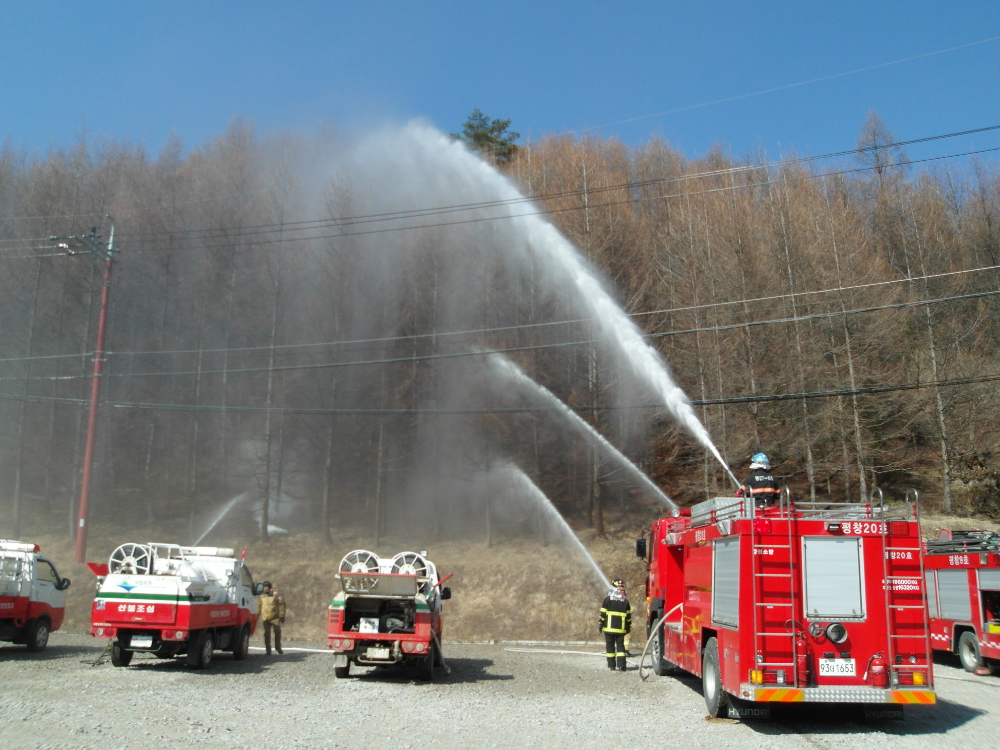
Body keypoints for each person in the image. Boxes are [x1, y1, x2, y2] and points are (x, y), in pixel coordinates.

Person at [599, 578, 632, 672]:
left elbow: (603, 614)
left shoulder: (607, 600)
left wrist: (600, 624)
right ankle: (622, 667)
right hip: (621, 630)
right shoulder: (625, 601)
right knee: (621, 647)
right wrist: (628, 627)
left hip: (609, 629)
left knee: (610, 648)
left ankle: (611, 666)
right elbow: (628, 617)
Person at [259, 580, 286, 655]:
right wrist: (256, 616)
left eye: (266, 587)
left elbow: (282, 604)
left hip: (275, 618)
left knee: (277, 632)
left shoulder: (275, 595)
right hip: (265, 618)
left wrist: (282, 615)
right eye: (264, 587)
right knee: (267, 634)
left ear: (269, 587)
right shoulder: (262, 596)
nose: (265, 588)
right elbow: (259, 606)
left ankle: (278, 647)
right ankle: (268, 650)